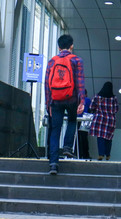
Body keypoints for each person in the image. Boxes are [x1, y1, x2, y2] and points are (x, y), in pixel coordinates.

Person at [45, 34, 85, 175]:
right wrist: (82, 101)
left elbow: (47, 84)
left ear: (59, 47)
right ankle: (68, 147)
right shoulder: (76, 60)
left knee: (55, 130)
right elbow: (80, 82)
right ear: (71, 46)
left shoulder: (52, 61)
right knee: (72, 121)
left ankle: (53, 164)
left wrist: (48, 103)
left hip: (55, 100)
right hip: (71, 99)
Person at [89, 81, 119, 161]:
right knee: (108, 138)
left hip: (99, 120)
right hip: (110, 121)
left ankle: (101, 155)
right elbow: (116, 109)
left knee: (100, 137)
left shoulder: (97, 97)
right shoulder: (113, 98)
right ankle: (108, 155)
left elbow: (92, 107)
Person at [77, 89, 92, 159]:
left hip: (77, 120)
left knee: (77, 138)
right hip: (84, 120)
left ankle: (78, 154)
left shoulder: (76, 100)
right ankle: (86, 155)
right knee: (84, 138)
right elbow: (90, 110)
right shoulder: (88, 100)